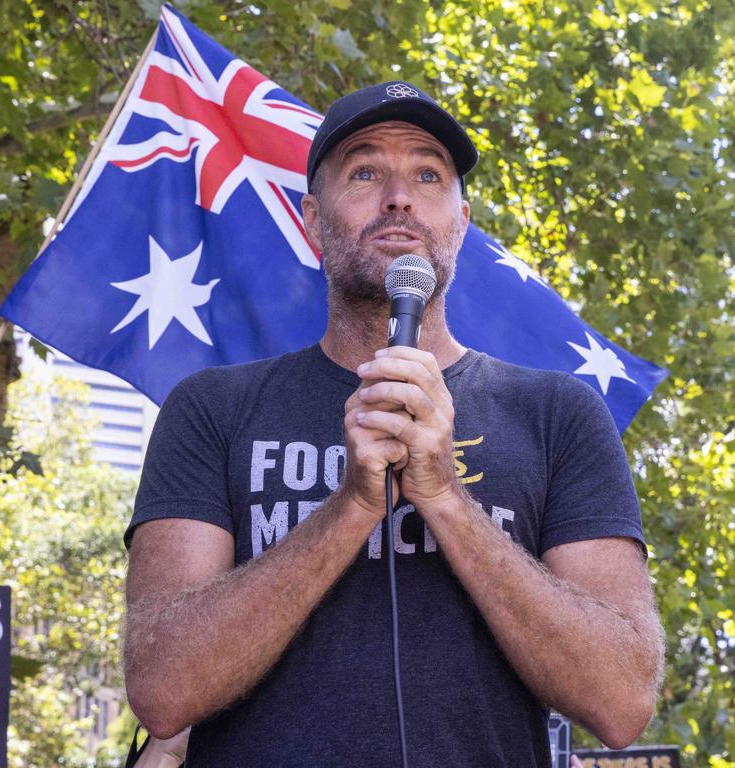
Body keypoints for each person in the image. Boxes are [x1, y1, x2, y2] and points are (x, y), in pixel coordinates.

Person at [123, 80, 664, 768]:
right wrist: (351, 505)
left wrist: (442, 496)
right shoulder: (211, 409)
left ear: (461, 222)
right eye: (366, 171)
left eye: (428, 174)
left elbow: (620, 702)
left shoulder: (558, 414)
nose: (399, 196)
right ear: (312, 219)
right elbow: (163, 689)